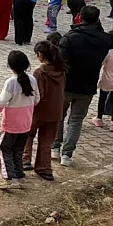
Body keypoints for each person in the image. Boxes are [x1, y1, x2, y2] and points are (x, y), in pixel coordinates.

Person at [53, 6, 112, 167]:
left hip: (66, 84)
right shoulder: (105, 39)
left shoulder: (70, 38)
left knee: (59, 116)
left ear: (80, 17)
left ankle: (55, 147)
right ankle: (67, 154)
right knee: (76, 121)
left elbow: (60, 61)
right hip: (88, 86)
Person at [0, 51, 39, 190]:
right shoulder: (32, 80)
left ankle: (9, 178)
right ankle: (19, 175)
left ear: (10, 65)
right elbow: (37, 99)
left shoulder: (11, 82)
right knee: (18, 150)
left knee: (4, 148)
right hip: (26, 123)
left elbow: (0, 103)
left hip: (11, 125)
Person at [23, 41, 67, 182]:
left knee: (28, 135)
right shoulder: (62, 71)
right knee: (46, 142)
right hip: (55, 112)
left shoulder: (40, 73)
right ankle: (45, 168)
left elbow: (36, 94)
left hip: (39, 111)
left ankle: (25, 160)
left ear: (40, 55)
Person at [92, 30, 113, 132]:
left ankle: (99, 118)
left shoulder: (108, 53)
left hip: (107, 79)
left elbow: (102, 63)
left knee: (102, 99)